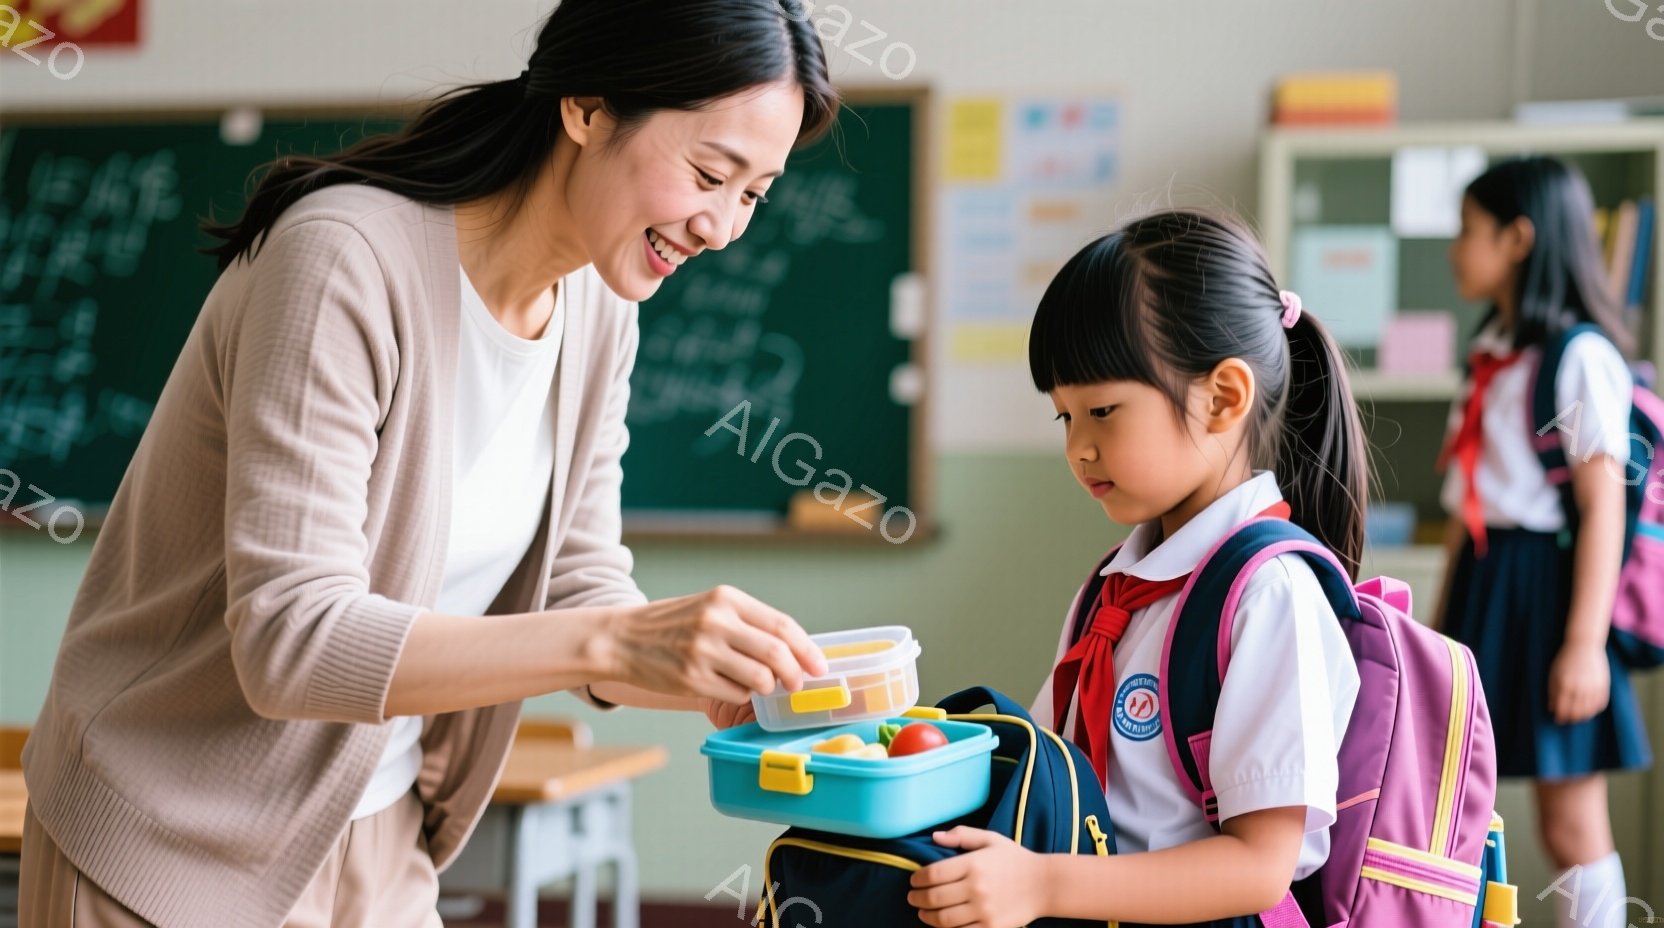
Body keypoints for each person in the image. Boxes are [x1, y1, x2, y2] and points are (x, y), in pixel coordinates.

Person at [19, 2, 839, 926]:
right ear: (588, 108)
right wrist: (619, 644)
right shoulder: (344, 259)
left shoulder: (602, 311)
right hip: (170, 834)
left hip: (379, 828)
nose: (723, 227)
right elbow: (291, 640)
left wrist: (692, 670)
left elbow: (577, 579)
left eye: (753, 195)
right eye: (709, 173)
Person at [907, 210, 1365, 927]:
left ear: (1223, 398)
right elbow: (1056, 775)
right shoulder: (1117, 588)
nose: (1078, 449)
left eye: (1104, 411)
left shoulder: (1271, 596)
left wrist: (1046, 888)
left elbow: (1258, 867)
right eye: (1065, 418)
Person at [1435, 157, 1651, 928]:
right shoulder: (1494, 348)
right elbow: (1472, 511)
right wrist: (1436, 634)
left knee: (1570, 823)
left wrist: (1585, 645)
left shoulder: (1578, 355)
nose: (1454, 250)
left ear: (1519, 238)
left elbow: (1603, 509)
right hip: (1485, 585)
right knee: (1448, 807)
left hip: (1551, 591)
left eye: (1467, 232)